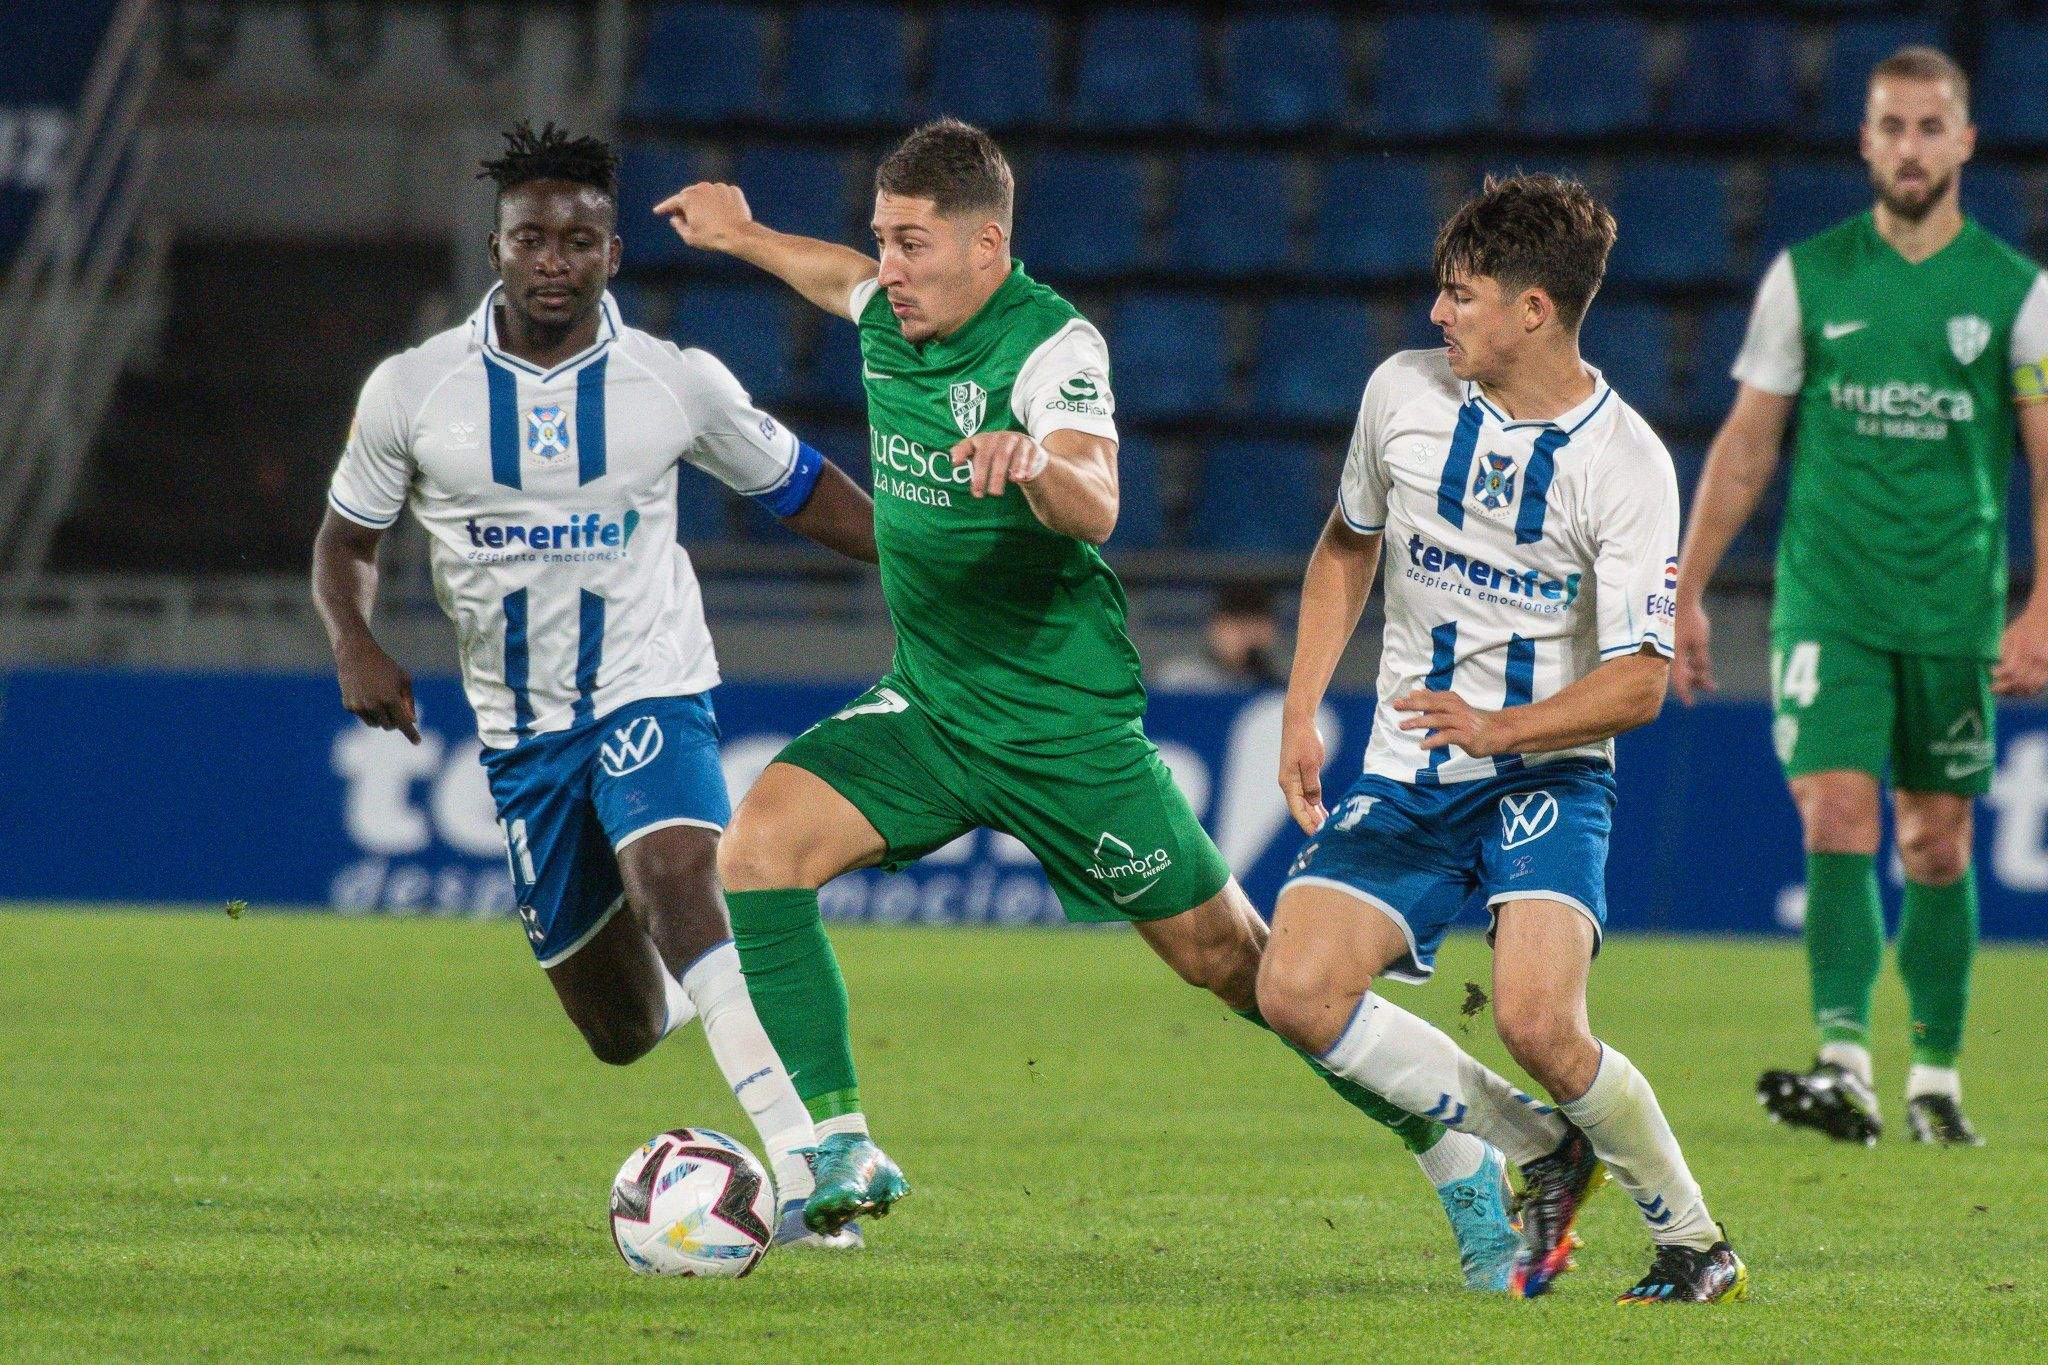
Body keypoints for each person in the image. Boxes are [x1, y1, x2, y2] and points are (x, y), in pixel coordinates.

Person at [656, 118, 1525, 1289]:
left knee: (1238, 968)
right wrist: (742, 232)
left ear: (986, 245)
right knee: (756, 850)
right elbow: (836, 279)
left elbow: (1101, 500)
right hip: (932, 708)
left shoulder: (1050, 346)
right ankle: (838, 1147)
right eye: (883, 239)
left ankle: (1449, 1146)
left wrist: (1036, 468)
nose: (890, 266)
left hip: (1062, 731)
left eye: (912, 244)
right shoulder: (890, 309)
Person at [309, 123, 878, 1247]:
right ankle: (710, 999)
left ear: (614, 254)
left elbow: (802, 489)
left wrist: (936, 559)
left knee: (677, 874)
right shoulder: (414, 390)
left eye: (579, 238)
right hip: (520, 739)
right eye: (533, 237)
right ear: (498, 247)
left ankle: (812, 1168)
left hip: (650, 687)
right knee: (619, 1029)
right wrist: (354, 642)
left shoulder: (674, 382)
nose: (554, 258)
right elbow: (346, 539)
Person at [1256, 173, 1747, 1303]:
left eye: (1460, 294)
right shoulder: (1400, 396)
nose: (1438, 314)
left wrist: (1502, 725)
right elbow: (1346, 545)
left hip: (1549, 768)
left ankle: (1692, 1242)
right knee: (1295, 988)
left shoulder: (1622, 464)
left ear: (1534, 309)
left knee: (1535, 1018)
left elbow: (1638, 678)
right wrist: (1299, 705)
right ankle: (1539, 1146)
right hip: (1411, 761)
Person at [1676, 46, 2048, 1147]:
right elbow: (1747, 445)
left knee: (1934, 843)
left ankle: (1933, 1075)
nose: (1908, 147)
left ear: (1965, 142)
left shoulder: (2014, 297)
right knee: (1833, 808)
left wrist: (2039, 608)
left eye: (1929, 127)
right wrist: (1684, 588)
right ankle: (1841, 1060)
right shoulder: (1807, 277)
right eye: (1890, 126)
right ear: (1863, 141)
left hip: (1952, 608)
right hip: (1827, 599)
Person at [1154, 583, 1285, 691]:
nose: (1246, 635)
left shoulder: (1275, 684)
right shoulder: (1182, 678)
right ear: (1216, 626)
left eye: (1256, 624)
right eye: (1237, 624)